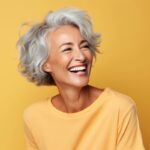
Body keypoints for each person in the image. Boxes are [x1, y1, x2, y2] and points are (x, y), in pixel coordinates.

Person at [17, 7, 145, 150]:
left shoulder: (120, 108)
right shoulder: (34, 116)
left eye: (84, 46)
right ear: (45, 64)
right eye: (67, 49)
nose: (81, 56)